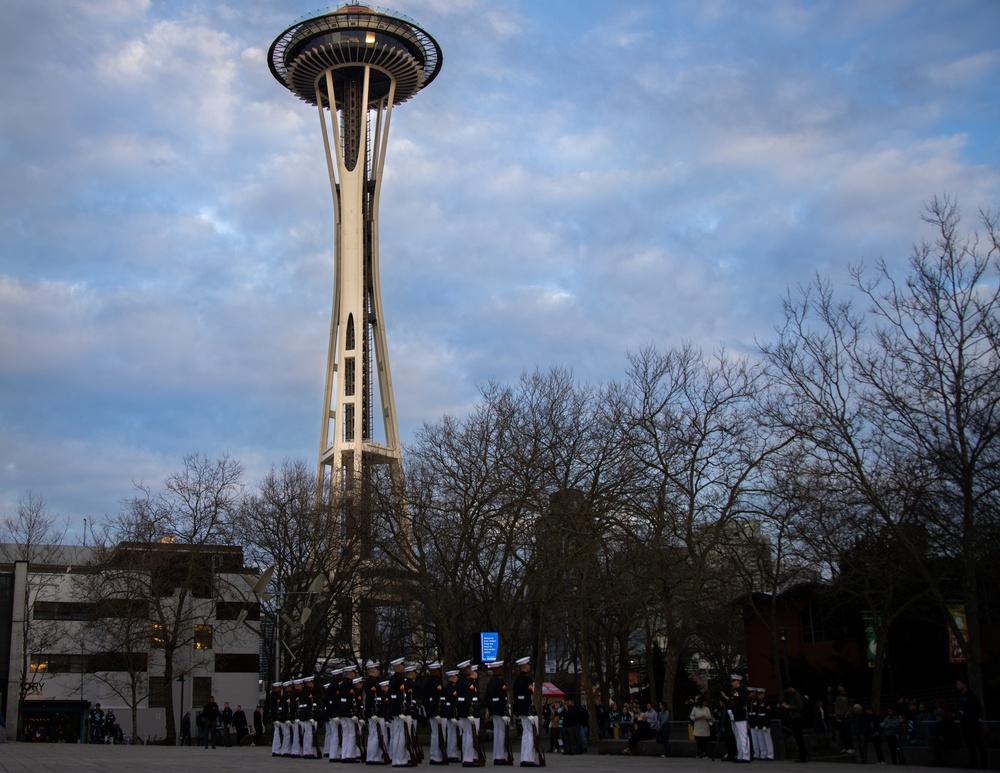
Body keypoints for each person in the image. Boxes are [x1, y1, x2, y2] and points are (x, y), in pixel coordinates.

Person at [512, 656, 540, 767]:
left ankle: (524, 758)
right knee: (530, 734)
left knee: (525, 733)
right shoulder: (528, 680)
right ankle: (528, 759)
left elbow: (516, 697)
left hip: (521, 709)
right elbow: (529, 697)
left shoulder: (517, 680)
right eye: (528, 665)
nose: (529, 667)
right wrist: (531, 711)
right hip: (528, 709)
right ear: (524, 666)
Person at [956, 679, 988, 769]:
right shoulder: (961, 697)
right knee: (969, 743)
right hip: (965, 723)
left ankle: (984, 762)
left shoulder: (971, 696)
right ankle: (973, 761)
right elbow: (961, 708)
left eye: (959, 684)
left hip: (973, 723)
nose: (957, 686)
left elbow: (977, 709)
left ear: (964, 685)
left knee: (979, 742)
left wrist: (977, 720)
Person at [386, 657, 410, 766]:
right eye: (403, 666)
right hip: (398, 711)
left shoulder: (392, 679)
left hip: (393, 710)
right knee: (400, 736)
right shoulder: (400, 680)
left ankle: (395, 759)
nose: (404, 668)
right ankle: (400, 760)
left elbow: (392, 697)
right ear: (399, 667)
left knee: (396, 736)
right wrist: (401, 711)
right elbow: (400, 697)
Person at [486, 660, 512, 764]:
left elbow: (487, 698)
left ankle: (496, 755)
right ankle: (500, 756)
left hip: (494, 709)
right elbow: (502, 699)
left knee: (496, 732)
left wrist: (491, 710)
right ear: (498, 669)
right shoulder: (501, 682)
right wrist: (505, 713)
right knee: (501, 733)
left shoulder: (490, 682)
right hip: (500, 710)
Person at [721, 673, 750, 762]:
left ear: (738, 681)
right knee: (737, 737)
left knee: (743, 736)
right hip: (734, 717)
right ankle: (740, 755)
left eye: (734, 681)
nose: (732, 683)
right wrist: (730, 711)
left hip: (740, 716)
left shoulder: (742, 691)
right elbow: (730, 702)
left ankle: (745, 756)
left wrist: (732, 709)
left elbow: (740, 704)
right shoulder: (732, 692)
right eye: (732, 681)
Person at [423, 662, 445, 765]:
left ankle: (433, 755)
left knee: (434, 733)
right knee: (437, 734)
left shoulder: (427, 683)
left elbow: (425, 699)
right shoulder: (438, 682)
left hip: (430, 710)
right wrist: (438, 711)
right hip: (436, 711)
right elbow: (437, 698)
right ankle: (436, 756)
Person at [781, 685, 808, 762]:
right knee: (797, 736)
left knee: (799, 736)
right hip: (794, 717)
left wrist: (789, 707)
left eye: (787, 689)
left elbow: (800, 706)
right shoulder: (791, 695)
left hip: (798, 717)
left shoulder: (796, 695)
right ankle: (802, 755)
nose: (786, 691)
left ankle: (803, 755)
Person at [833, 684, 853, 753]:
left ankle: (850, 747)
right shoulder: (837, 696)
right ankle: (846, 747)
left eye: (840, 687)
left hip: (845, 716)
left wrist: (847, 715)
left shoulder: (848, 696)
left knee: (847, 732)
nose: (839, 688)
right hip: (839, 715)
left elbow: (851, 706)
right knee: (842, 733)